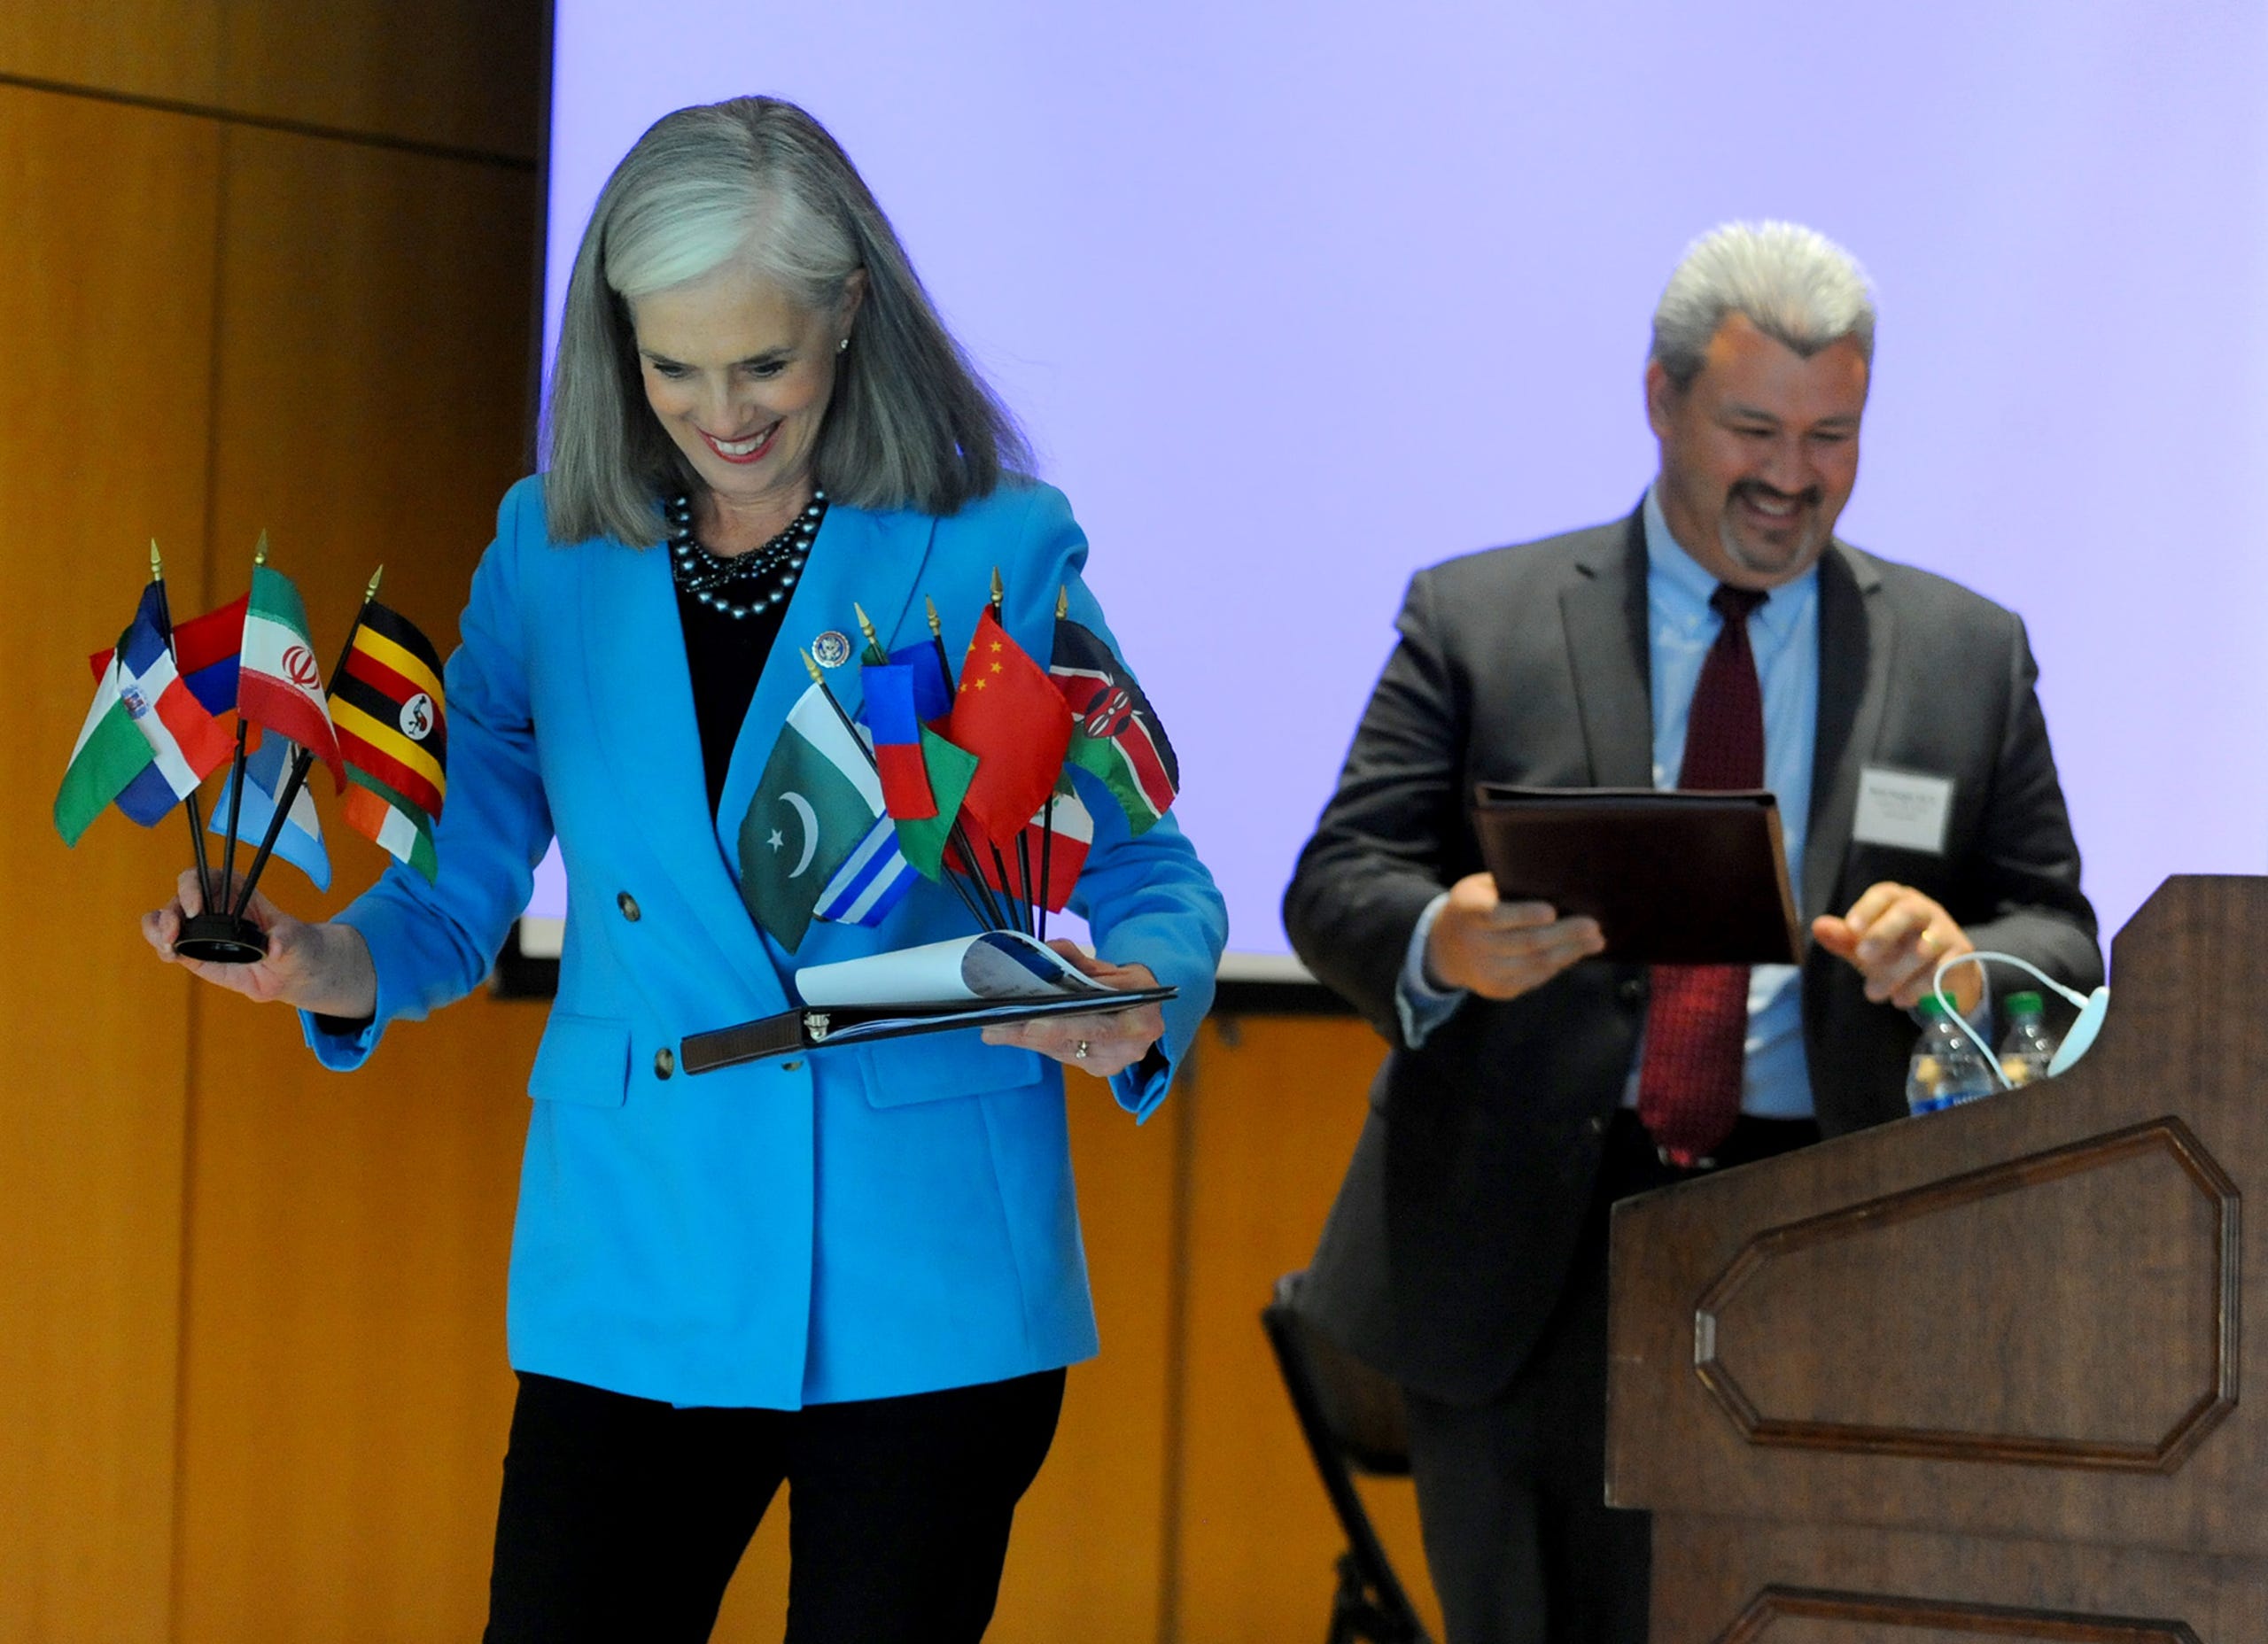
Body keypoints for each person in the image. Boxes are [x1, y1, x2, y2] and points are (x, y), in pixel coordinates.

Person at [144, 96, 1226, 1643]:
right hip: (637, 1247)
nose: (722, 410)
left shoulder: (993, 542)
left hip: (925, 1271)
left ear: (850, 312)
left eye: (764, 362)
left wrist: (1143, 990)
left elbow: (1149, 865)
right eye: (673, 367)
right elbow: (458, 889)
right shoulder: (547, 555)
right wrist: (329, 960)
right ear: (617, 344)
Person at [1283, 221, 2099, 1644]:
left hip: (1824, 1246)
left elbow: (2066, 940)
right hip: (1521, 1261)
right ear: (1660, 401)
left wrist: (1965, 959)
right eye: (1751, 428)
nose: (1791, 477)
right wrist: (1443, 940)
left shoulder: (1969, 652)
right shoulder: (1482, 619)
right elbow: (1339, 882)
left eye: (1832, 435)